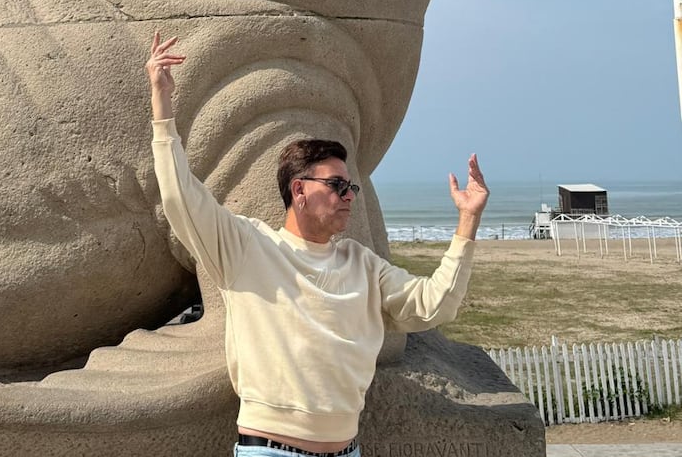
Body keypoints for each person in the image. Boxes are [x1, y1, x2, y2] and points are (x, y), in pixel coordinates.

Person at [147, 32, 489, 457]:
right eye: (336, 185)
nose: (348, 195)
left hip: (348, 451)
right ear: (299, 190)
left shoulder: (363, 265)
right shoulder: (247, 247)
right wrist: (162, 110)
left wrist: (468, 219)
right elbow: (181, 197)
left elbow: (434, 306)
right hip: (269, 451)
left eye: (351, 187)